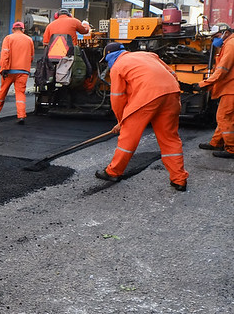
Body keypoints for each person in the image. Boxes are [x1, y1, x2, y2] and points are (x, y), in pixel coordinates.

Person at [95, 43, 189, 191]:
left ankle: (113, 172)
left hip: (147, 97)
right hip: (171, 93)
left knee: (128, 138)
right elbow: (172, 75)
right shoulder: (149, 55)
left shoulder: (118, 66)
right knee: (169, 138)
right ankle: (179, 179)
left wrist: (121, 121)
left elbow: (117, 97)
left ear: (109, 56)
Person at [197, 22, 234, 158]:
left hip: (231, 88)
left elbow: (222, 70)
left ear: (226, 33)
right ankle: (216, 142)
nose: (214, 40)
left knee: (223, 117)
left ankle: (231, 149)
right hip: (229, 87)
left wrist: (203, 84)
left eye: (217, 36)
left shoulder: (231, 45)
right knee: (226, 117)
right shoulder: (228, 44)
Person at [0, 21, 35, 124]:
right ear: (23, 29)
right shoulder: (29, 40)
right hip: (23, 71)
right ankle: (21, 115)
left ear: (13, 29)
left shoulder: (8, 38)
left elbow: (5, 54)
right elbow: (31, 57)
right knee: (20, 93)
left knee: (3, 91)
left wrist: (3, 68)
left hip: (9, 71)